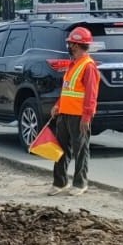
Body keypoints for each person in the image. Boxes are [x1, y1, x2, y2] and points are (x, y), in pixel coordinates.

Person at [48, 26, 100, 196]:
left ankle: (80, 184)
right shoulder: (73, 64)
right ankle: (60, 182)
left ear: (76, 45)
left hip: (79, 116)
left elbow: (91, 95)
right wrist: (58, 105)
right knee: (61, 149)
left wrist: (86, 117)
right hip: (65, 113)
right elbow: (67, 89)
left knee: (80, 150)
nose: (69, 46)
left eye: (70, 43)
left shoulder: (88, 66)